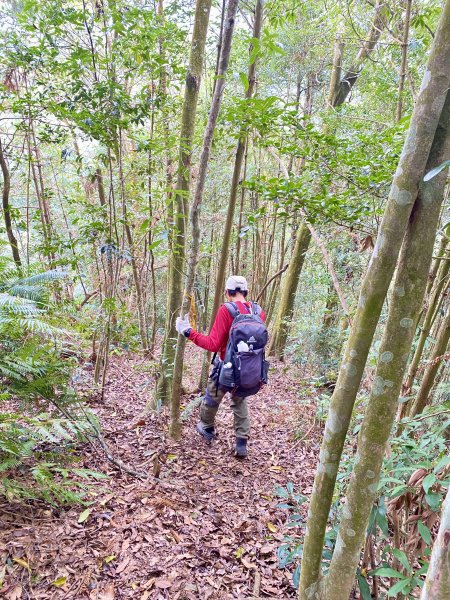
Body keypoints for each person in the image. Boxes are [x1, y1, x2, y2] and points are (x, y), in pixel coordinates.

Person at [175, 275, 266, 458]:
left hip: (226, 368)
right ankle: (241, 443)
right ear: (245, 292)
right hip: (249, 370)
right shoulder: (258, 311)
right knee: (240, 401)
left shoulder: (227, 310)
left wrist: (188, 332)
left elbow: (213, 344)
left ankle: (206, 427)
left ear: (227, 292)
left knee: (211, 397)